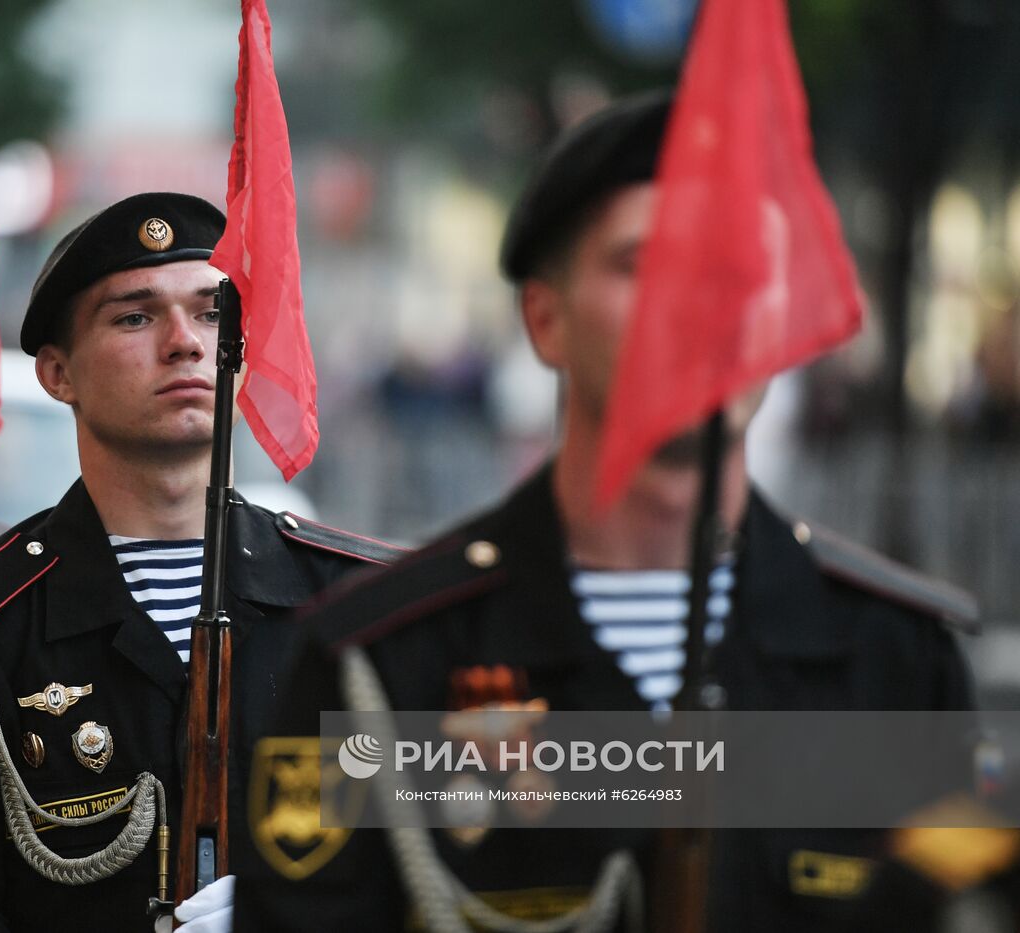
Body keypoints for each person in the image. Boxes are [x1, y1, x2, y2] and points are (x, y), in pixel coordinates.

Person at [233, 93, 977, 933]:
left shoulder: (898, 658)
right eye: (645, 265)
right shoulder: (380, 663)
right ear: (546, 319)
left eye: (734, 274)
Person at [0, 191, 402, 932]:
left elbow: (502, 830)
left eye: (214, 313)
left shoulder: (364, 603)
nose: (185, 341)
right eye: (135, 316)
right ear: (58, 373)